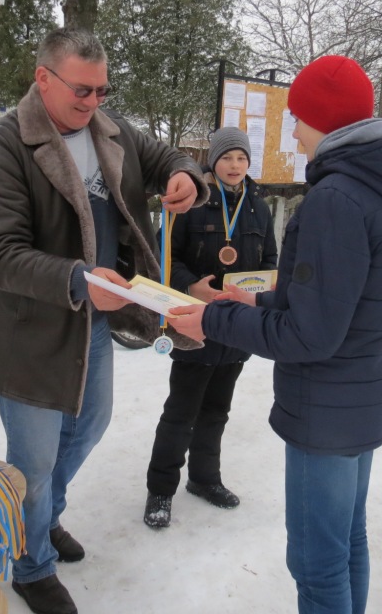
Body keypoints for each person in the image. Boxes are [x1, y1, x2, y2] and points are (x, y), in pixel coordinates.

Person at [167, 55, 382, 614]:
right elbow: (344, 300)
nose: (292, 129)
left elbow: (310, 336)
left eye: (299, 117)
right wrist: (254, 299)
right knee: (346, 542)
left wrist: (212, 318)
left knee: (316, 563)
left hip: (327, 408)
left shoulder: (336, 200)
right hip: (364, 391)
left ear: (325, 120)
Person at [0, 27, 207, 614]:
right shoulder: (3, 148)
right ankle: (29, 564)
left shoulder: (110, 129)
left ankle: (41, 518)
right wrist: (80, 279)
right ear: (43, 78)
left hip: (94, 320)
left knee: (91, 423)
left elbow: (165, 158)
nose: (94, 102)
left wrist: (185, 176)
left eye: (103, 90)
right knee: (34, 458)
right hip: (32, 329)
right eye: (83, 90)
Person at [143, 127, 278, 529]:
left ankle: (205, 479)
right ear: (213, 161)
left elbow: (269, 257)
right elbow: (163, 252)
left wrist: (258, 290)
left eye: (241, 158)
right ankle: (161, 490)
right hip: (195, 323)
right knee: (180, 411)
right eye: (227, 158)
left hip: (236, 326)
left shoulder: (259, 206)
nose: (234, 166)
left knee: (217, 409)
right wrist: (190, 285)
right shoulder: (192, 201)